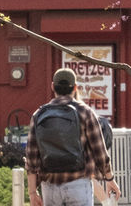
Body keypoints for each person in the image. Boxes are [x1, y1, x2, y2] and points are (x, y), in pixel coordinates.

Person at [26, 69, 119, 206]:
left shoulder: (39, 114)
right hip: (79, 185)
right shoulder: (85, 112)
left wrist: (32, 192)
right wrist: (110, 179)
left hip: (50, 188)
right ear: (75, 87)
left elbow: (31, 158)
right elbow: (99, 152)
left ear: (53, 87)